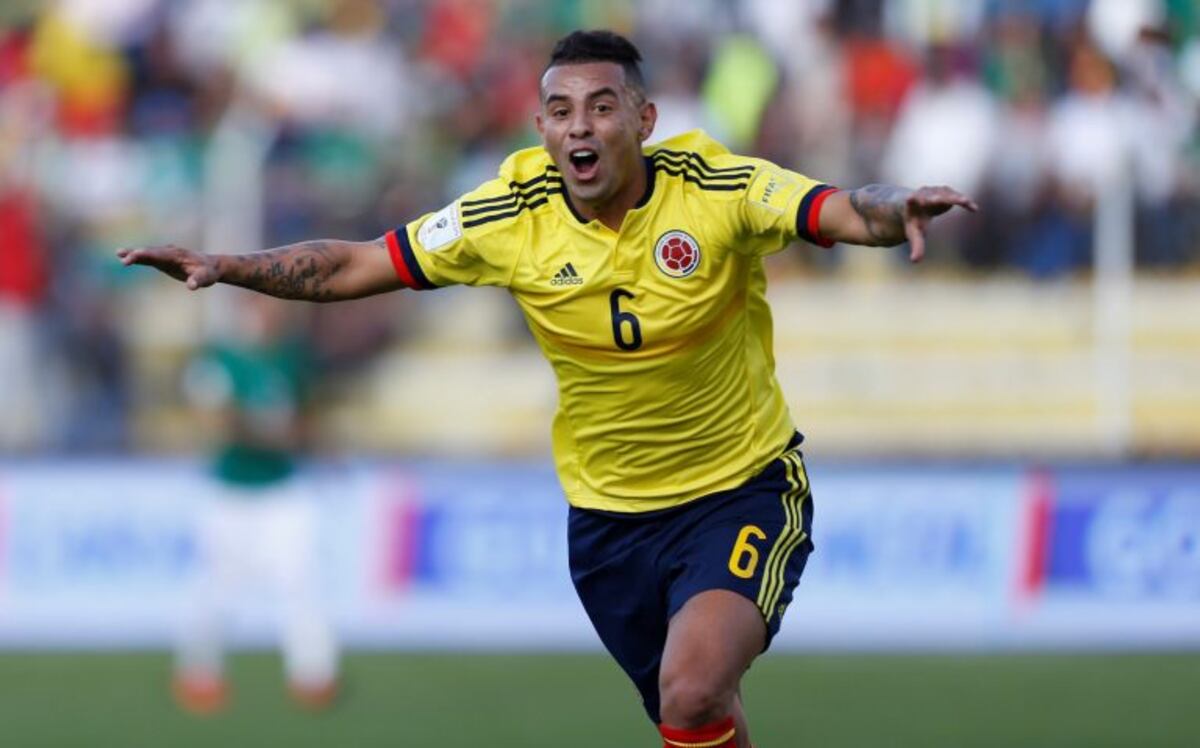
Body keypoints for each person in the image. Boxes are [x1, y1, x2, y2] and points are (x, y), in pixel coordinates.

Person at [120, 29, 976, 748]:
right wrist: (225, 267)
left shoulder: (714, 186)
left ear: (644, 120)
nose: (582, 128)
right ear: (540, 126)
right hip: (606, 526)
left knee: (692, 689)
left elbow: (834, 207)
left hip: (739, 489)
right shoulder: (510, 213)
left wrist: (892, 204)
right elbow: (357, 264)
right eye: (562, 111)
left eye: (603, 107)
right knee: (696, 714)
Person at [172, 293, 339, 714]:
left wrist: (301, 439)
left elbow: (306, 416)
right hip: (231, 489)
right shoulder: (219, 360)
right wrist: (268, 432)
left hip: (282, 488)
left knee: (300, 580)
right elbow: (217, 421)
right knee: (216, 586)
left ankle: (313, 676)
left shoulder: (291, 356)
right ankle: (200, 675)